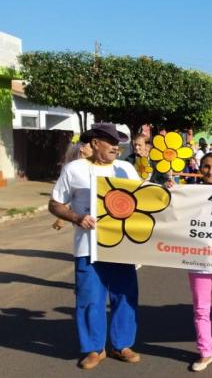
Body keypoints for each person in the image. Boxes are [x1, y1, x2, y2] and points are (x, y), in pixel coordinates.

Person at [48, 123, 142, 370]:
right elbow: (55, 204)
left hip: (122, 247)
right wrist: (77, 218)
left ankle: (121, 344)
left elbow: (143, 201)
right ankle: (94, 349)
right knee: (90, 298)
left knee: (125, 295)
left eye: (117, 141)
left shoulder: (126, 169)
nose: (115, 146)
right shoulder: (74, 169)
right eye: (109, 141)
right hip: (87, 247)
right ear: (93, 143)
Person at [167, 152, 212, 371]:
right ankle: (205, 351)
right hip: (198, 258)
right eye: (206, 166)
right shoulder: (189, 193)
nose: (211, 171)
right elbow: (170, 212)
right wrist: (171, 191)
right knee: (201, 307)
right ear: (200, 168)